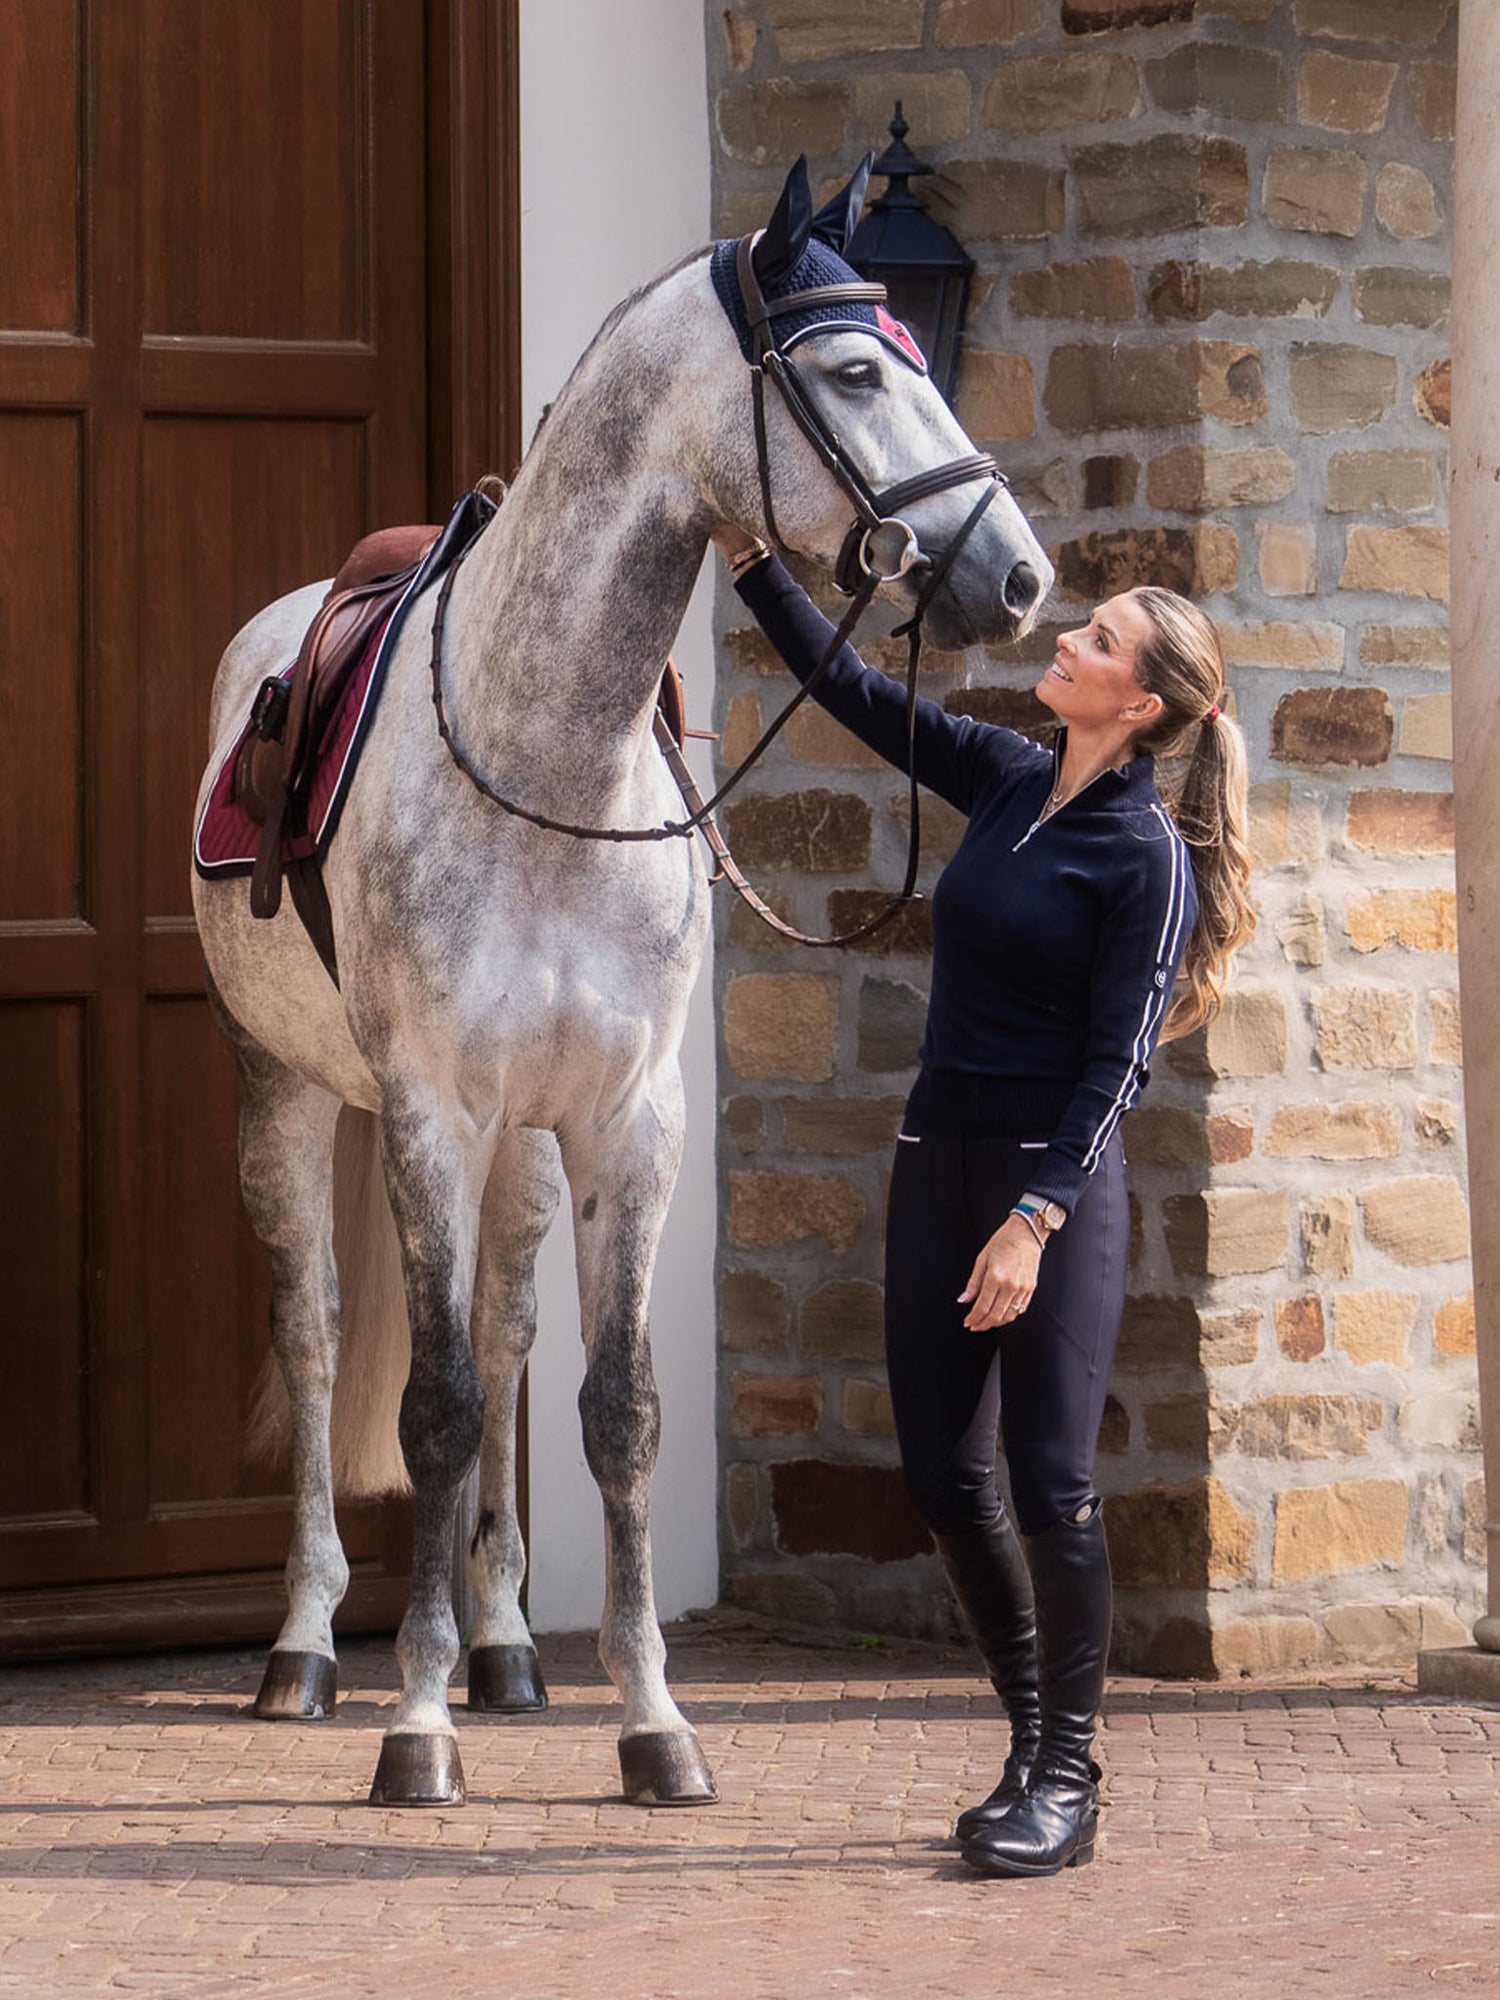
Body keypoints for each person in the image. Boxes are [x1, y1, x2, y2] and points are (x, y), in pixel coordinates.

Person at [713, 525, 1254, 1878]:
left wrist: (1035, 1219)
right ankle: (1035, 1749)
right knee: (948, 1479)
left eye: (1098, 640)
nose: (1065, 641)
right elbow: (857, 696)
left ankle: (1063, 1778)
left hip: (1040, 1190)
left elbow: (1120, 1059)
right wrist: (748, 566)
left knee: (1053, 1486)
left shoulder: (1144, 855)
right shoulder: (1013, 780)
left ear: (1141, 703)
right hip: (933, 1154)